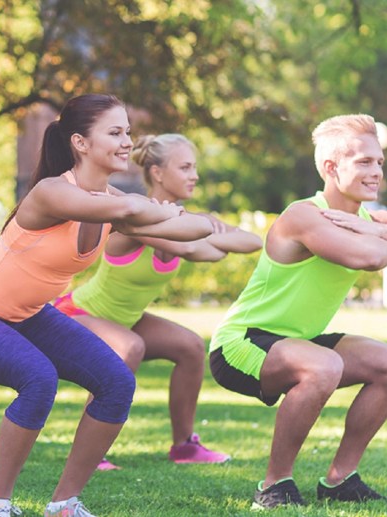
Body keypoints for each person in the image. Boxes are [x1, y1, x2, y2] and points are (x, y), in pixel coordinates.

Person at [0, 94, 216, 517]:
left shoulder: (110, 202)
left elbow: (196, 229)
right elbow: (130, 208)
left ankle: (64, 503)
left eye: (127, 132)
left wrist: (171, 214)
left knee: (116, 382)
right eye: (115, 132)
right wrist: (157, 210)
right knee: (38, 378)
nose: (127, 142)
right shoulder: (52, 192)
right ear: (80, 143)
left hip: (28, 314)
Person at [208, 114, 387, 509]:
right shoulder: (304, 215)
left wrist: (381, 228)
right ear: (331, 167)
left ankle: (340, 480)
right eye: (364, 162)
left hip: (300, 342)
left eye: (379, 162)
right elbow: (370, 258)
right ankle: (274, 486)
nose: (376, 172)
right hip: (241, 343)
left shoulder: (367, 220)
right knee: (324, 366)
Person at [54, 134, 262, 470]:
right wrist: (211, 235)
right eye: (185, 167)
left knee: (191, 347)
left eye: (194, 167)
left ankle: (184, 446)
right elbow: (193, 249)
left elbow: (251, 241)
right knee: (129, 347)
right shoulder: (135, 218)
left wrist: (205, 233)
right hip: (77, 314)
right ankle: (90, 451)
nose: (194, 175)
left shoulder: (187, 219)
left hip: (126, 320)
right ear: (158, 173)